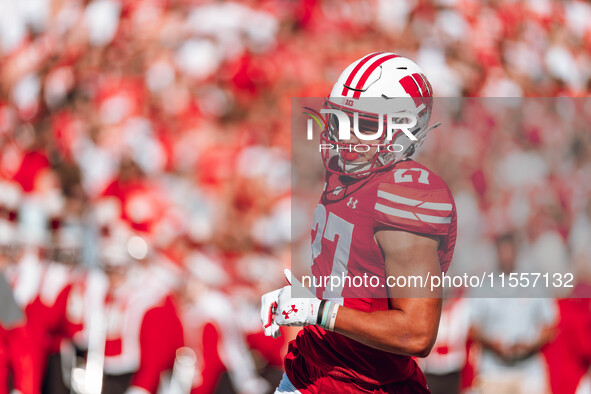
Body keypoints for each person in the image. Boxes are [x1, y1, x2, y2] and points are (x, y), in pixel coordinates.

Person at [261, 52, 457, 393]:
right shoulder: (350, 173)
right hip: (309, 365)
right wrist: (305, 299)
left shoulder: (405, 199)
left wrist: (318, 311)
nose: (346, 138)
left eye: (364, 125)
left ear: (403, 133)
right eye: (340, 121)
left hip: (363, 385)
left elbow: (417, 332)